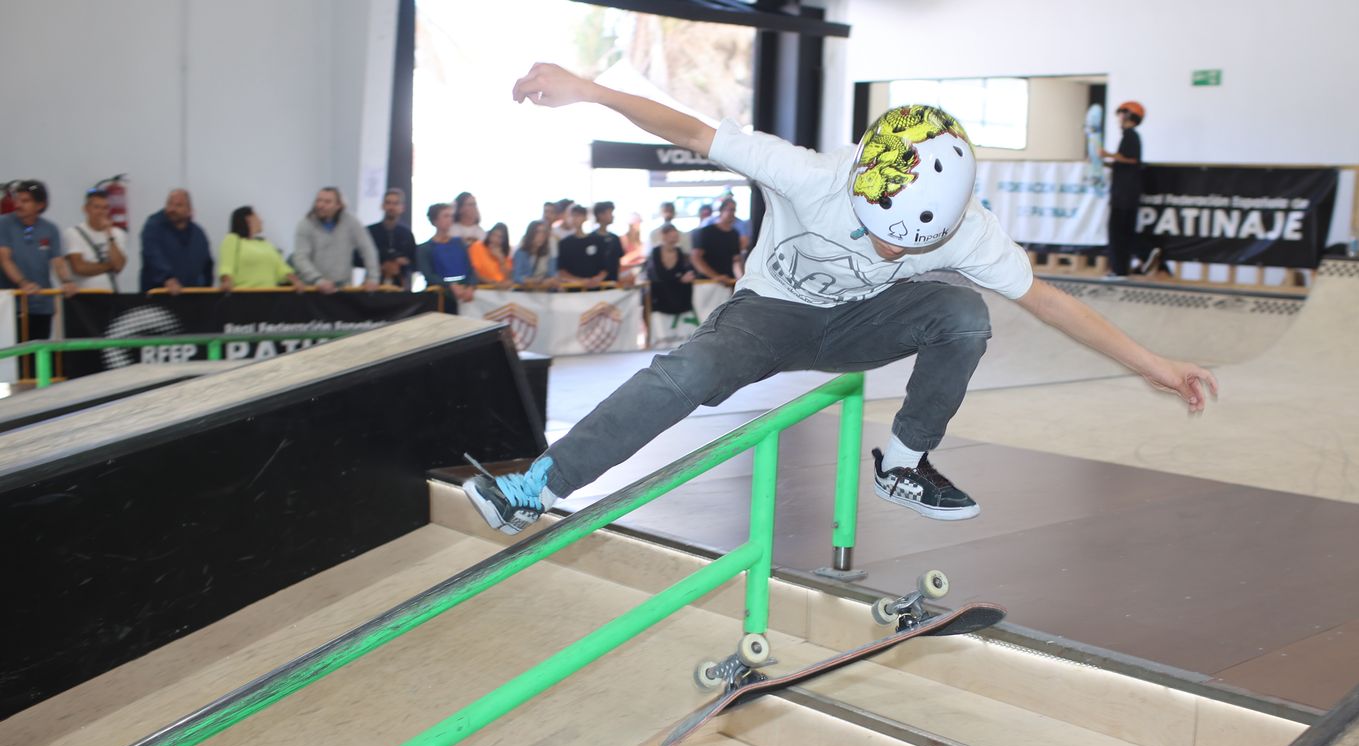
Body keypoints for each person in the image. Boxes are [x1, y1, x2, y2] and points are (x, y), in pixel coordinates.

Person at [463, 64, 1216, 537]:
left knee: (962, 313)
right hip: (764, 318)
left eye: (906, 246)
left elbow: (1049, 301)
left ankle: (906, 461)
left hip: (858, 326)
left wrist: (1152, 363)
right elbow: (689, 128)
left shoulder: (966, 229)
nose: (888, 250)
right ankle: (535, 485)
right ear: (859, 182)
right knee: (683, 375)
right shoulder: (807, 173)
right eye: (876, 232)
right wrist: (590, 92)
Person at [0, 180, 78, 350]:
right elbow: (4, 258)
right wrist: (23, 283)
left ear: (40, 205)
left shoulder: (50, 229)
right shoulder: (4, 223)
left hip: (42, 304)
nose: (18, 204)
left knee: (38, 356)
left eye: (25, 201)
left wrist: (66, 281)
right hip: (12, 306)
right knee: (13, 359)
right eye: (17, 200)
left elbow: (58, 261)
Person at [292, 187, 379, 292]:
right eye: (318, 200)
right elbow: (300, 257)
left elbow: (367, 249)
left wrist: (373, 277)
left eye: (327, 202)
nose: (321, 205)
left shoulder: (351, 222)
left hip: (342, 287)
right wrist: (317, 279)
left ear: (338, 205)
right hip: (313, 288)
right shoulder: (305, 224)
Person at [1100, 101, 1145, 278]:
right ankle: (1121, 269)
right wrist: (1103, 162)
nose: (1119, 118)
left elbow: (1132, 159)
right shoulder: (1128, 136)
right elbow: (1123, 163)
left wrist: (1108, 154)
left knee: (1120, 232)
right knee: (1121, 231)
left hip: (1125, 195)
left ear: (1129, 115)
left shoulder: (1131, 136)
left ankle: (1121, 269)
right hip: (1123, 193)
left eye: (1121, 114)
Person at [140, 188, 213, 294]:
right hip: (159, 295)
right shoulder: (153, 227)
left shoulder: (198, 233)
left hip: (192, 297)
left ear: (189, 210)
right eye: (170, 204)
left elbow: (207, 263)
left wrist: (206, 289)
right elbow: (153, 255)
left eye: (178, 205)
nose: (172, 209)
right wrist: (167, 278)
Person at [218, 206, 303, 291]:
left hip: (270, 297)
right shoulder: (232, 239)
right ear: (248, 218)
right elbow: (227, 266)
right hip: (243, 296)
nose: (261, 221)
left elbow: (281, 268)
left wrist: (296, 281)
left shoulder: (266, 244)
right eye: (257, 216)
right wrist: (226, 281)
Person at [415, 202, 476, 313]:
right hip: (439, 300)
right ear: (435, 220)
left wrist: (470, 287)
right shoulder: (425, 248)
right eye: (445, 216)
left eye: (451, 216)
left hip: (464, 297)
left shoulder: (459, 244)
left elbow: (470, 269)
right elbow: (429, 275)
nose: (450, 219)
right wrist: (449, 285)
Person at [63, 188, 129, 292]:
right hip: (84, 299)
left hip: (112, 295)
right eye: (97, 207)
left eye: (105, 208)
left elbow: (119, 265)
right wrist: (110, 266)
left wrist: (109, 235)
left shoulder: (117, 234)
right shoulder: (73, 233)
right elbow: (79, 268)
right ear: (86, 209)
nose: (101, 212)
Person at [644, 223, 697, 334]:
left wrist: (685, 277)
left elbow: (686, 271)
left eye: (675, 236)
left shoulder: (680, 252)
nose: (674, 238)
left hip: (678, 297)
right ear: (664, 236)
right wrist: (679, 279)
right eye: (671, 235)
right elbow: (658, 275)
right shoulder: (655, 252)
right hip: (659, 297)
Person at [367, 187, 416, 288]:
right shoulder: (371, 231)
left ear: (402, 207)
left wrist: (401, 263)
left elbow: (414, 262)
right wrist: (381, 265)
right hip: (374, 283)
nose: (391, 207)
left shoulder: (407, 234)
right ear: (383, 205)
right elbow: (358, 257)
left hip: (400, 284)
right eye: (388, 203)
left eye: (395, 203)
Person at [690, 197, 743, 287]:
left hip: (727, 282)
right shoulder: (706, 232)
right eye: (728, 210)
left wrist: (741, 279)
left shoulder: (734, 234)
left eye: (733, 210)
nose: (731, 213)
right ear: (721, 211)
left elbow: (736, 260)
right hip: (706, 282)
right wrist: (716, 276)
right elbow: (696, 258)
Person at [556, 204, 607, 286]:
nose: (574, 219)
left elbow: (605, 268)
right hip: (573, 290)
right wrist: (579, 281)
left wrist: (595, 280)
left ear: (585, 217)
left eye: (578, 216)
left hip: (596, 289)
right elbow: (561, 271)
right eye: (572, 216)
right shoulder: (564, 243)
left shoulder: (597, 240)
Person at [512, 219, 558, 289]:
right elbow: (517, 277)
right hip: (525, 293)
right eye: (538, 232)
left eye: (543, 232)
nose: (541, 236)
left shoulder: (548, 253)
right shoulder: (521, 253)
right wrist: (535, 281)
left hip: (544, 292)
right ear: (531, 234)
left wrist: (551, 280)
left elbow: (553, 274)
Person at [469, 221, 514, 286]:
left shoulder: (505, 254)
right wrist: (493, 283)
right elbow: (474, 273)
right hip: (482, 288)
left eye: (500, 237)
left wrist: (501, 259)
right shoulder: (477, 247)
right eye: (493, 235)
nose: (495, 239)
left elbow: (509, 278)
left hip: (501, 290)